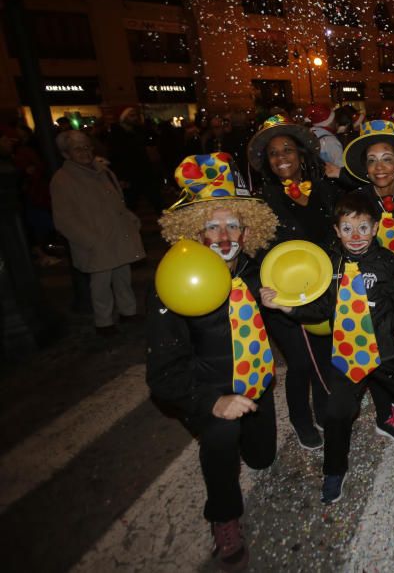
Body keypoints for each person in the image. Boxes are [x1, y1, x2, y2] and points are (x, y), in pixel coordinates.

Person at [262, 192, 394, 505]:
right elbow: (321, 307)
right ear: (336, 230)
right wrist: (286, 307)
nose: (356, 237)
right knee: (337, 413)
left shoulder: (387, 262)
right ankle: (334, 469)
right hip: (348, 354)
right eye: (347, 229)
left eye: (363, 228)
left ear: (375, 228)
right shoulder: (328, 263)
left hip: (388, 350)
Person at [147, 152, 280, 572]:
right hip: (211, 390)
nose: (224, 236)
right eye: (212, 226)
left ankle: (242, 436)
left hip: (257, 384)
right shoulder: (176, 282)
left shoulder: (255, 269)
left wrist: (284, 304)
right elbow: (163, 375)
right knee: (221, 439)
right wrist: (212, 403)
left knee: (262, 459)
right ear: (194, 233)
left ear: (247, 229)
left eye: (233, 225)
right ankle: (223, 516)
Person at [246, 115, 342, 449]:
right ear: (267, 163)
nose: (282, 156)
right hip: (280, 295)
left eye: (288, 149)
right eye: (273, 153)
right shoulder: (260, 205)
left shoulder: (327, 190)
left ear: (302, 155)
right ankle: (301, 419)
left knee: (325, 355)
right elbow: (253, 253)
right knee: (301, 361)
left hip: (323, 290)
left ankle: (324, 412)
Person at [341, 119, 394, 441]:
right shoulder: (356, 200)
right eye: (372, 160)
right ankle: (383, 414)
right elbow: (347, 242)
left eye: (387, 158)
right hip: (370, 283)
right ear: (364, 167)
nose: (380, 167)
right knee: (376, 346)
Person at [51, 130, 145, 337]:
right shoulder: (63, 179)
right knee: (101, 284)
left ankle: (128, 312)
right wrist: (89, 239)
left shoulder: (100, 170)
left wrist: (129, 217)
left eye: (87, 147)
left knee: (123, 276)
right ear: (66, 154)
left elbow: (114, 201)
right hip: (96, 241)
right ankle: (104, 322)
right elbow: (63, 219)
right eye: (78, 149)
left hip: (116, 234)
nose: (85, 152)